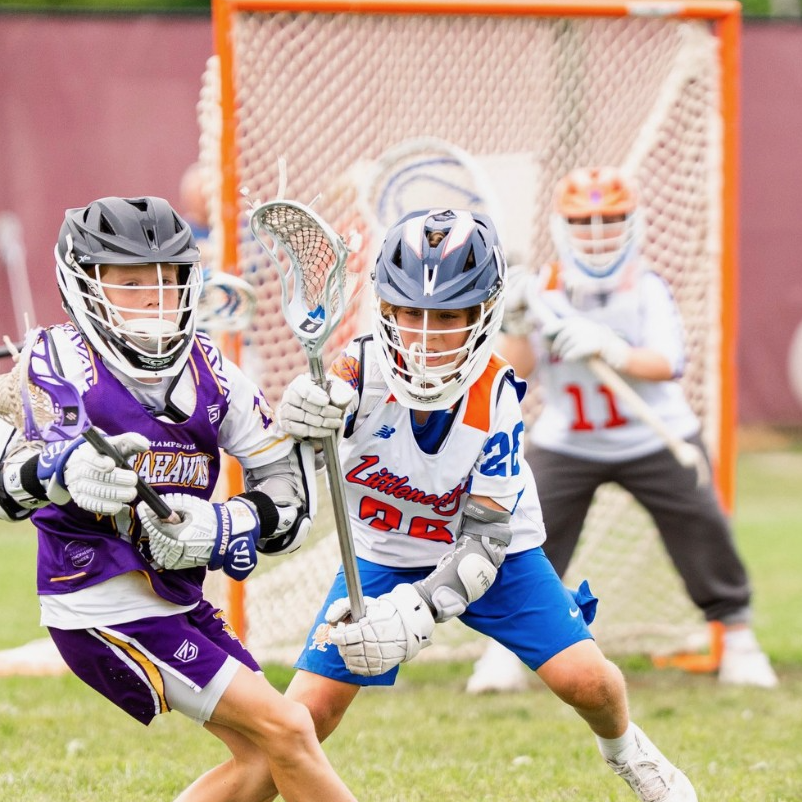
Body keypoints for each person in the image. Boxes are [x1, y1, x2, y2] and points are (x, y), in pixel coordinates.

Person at [238, 208, 699, 800]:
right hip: (384, 556)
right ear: (385, 309)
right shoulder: (356, 371)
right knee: (306, 718)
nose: (426, 337)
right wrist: (299, 422)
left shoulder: (495, 394)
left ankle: (627, 750)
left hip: (497, 555)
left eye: (449, 316)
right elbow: (301, 461)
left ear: (484, 313)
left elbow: (485, 543)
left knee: (590, 683)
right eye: (411, 314)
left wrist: (416, 613)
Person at [0, 196, 358, 802]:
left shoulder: (213, 370)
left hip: (176, 598)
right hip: (100, 602)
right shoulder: (55, 364)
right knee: (290, 728)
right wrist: (65, 468)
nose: (155, 299)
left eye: (167, 280)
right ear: (84, 286)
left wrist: (225, 522)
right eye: (131, 283)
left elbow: (288, 504)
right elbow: (8, 485)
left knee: (268, 755)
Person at [466, 165, 778, 694]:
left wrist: (610, 347)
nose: (596, 233)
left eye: (610, 220)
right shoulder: (540, 290)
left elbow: (667, 362)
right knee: (520, 535)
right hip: (568, 440)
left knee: (702, 525)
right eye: (583, 221)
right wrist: (515, 323)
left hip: (653, 437)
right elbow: (514, 373)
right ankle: (504, 651)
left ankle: (739, 639)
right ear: (561, 226)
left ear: (633, 223)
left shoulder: (647, 289)